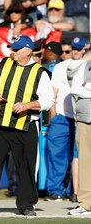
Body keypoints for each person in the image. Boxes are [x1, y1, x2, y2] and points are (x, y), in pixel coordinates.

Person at [0, 35, 54, 216]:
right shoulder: (4, 64)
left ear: (28, 51)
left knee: (26, 166)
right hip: (0, 122)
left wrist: (26, 105)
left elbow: (48, 101)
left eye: (16, 49)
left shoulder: (39, 72)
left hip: (26, 125)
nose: (12, 52)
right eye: (12, 48)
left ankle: (26, 204)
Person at [45, 36, 88, 202]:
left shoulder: (88, 66)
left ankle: (75, 191)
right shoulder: (60, 67)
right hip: (62, 116)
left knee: (79, 156)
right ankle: (55, 190)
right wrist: (54, 116)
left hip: (81, 118)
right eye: (72, 49)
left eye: (78, 49)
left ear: (85, 49)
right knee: (56, 155)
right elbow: (53, 92)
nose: (75, 52)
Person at [69, 47, 91, 215]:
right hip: (85, 120)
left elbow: (82, 89)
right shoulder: (84, 67)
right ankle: (86, 203)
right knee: (85, 163)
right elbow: (75, 89)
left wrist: (87, 89)